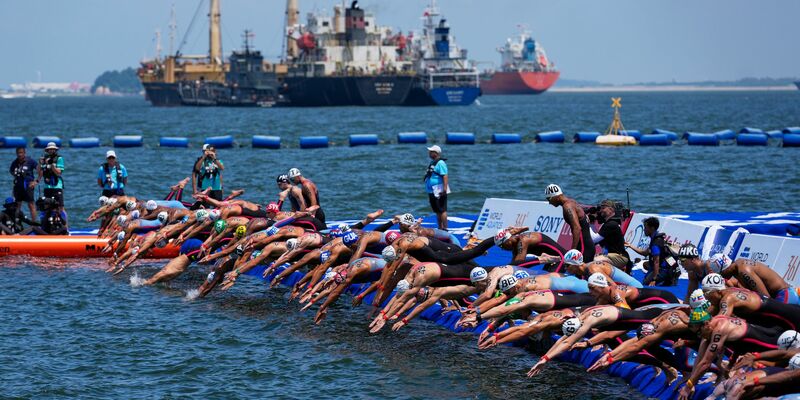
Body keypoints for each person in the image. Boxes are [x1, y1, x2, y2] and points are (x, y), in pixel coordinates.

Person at [545, 184, 594, 262]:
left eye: (549, 199)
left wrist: (572, 251)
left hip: (583, 248)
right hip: (587, 246)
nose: (549, 203)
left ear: (557, 197)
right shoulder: (572, 202)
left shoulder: (567, 206)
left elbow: (577, 228)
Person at [626, 216, 679, 286]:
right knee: (646, 266)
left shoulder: (655, 243)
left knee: (645, 283)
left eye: (645, 227)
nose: (644, 230)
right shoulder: (656, 238)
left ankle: (665, 278)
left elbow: (656, 262)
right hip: (667, 266)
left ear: (652, 228)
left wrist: (654, 279)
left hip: (664, 269)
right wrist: (630, 245)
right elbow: (644, 253)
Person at [593, 200, 630, 271]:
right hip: (612, 255)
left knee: (595, 261)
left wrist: (586, 223)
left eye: (603, 208)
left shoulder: (611, 224)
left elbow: (594, 239)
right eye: (600, 208)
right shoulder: (608, 224)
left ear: (611, 209)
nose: (601, 210)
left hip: (619, 257)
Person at [9, 146, 38, 221]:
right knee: (17, 205)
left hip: (28, 186)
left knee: (31, 205)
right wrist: (16, 175)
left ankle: (34, 224)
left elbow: (40, 169)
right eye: (18, 153)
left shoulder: (30, 161)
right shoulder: (15, 162)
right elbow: (11, 171)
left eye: (21, 153)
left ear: (24, 153)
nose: (19, 154)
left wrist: (36, 181)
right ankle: (16, 223)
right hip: (18, 187)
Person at [424, 145, 449, 230]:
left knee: (442, 210)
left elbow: (445, 176)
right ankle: (440, 227)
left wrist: (444, 189)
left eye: (431, 152)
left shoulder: (441, 163)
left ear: (436, 153)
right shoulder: (432, 162)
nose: (429, 153)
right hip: (432, 191)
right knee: (437, 210)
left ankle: (445, 228)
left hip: (439, 190)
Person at [36, 142, 65, 210]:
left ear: (55, 150)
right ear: (47, 150)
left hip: (57, 185)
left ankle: (64, 220)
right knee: (47, 207)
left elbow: (58, 173)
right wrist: (40, 163)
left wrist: (52, 165)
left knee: (60, 207)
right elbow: (39, 171)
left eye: (53, 149)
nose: (51, 150)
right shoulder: (45, 159)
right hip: (47, 186)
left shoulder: (59, 158)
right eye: (50, 149)